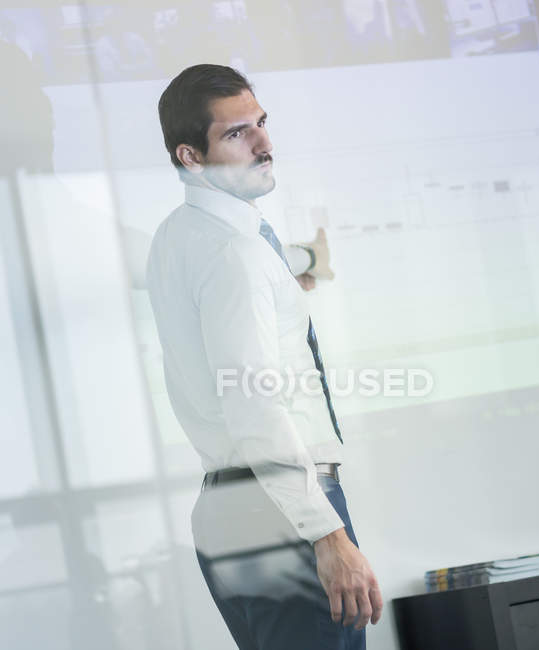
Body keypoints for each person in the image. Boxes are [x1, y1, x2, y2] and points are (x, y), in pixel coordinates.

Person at [147, 64, 382, 649]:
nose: (264, 144)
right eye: (236, 134)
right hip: (281, 508)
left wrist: (290, 272)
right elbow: (254, 402)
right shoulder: (236, 255)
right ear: (190, 155)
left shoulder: (179, 236)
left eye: (261, 122)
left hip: (226, 509)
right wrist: (325, 533)